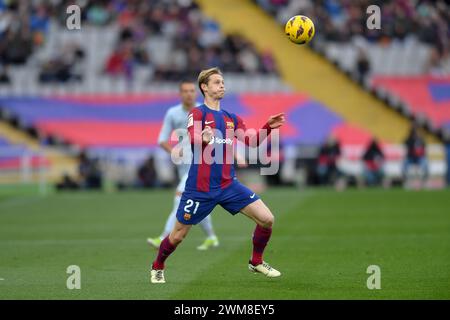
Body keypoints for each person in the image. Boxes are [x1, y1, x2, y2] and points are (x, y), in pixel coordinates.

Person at [150, 67, 285, 283]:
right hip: (199, 189)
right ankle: (158, 265)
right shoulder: (197, 113)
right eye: (216, 82)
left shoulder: (232, 118)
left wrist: (268, 127)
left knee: (267, 219)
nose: (222, 85)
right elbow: (193, 135)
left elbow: (251, 141)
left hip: (228, 185)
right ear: (204, 87)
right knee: (177, 236)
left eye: (222, 82)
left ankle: (256, 262)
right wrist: (202, 138)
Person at [147, 80, 220, 251]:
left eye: (192, 91)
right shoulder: (173, 113)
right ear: (180, 94)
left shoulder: (204, 111)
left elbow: (217, 135)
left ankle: (163, 237)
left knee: (180, 198)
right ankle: (211, 237)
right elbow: (162, 140)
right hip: (183, 166)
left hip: (201, 164)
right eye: (185, 91)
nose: (189, 94)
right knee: (196, 203)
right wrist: (174, 151)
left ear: (196, 93)